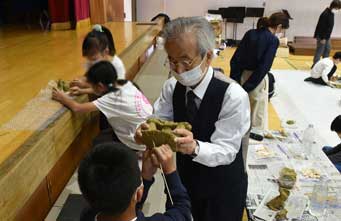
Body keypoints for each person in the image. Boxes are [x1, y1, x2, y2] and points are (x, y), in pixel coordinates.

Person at [135, 17, 250, 221]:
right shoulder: (172, 87)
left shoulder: (233, 95)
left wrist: (194, 147)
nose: (178, 70)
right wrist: (145, 131)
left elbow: (226, 150)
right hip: (184, 181)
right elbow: (158, 120)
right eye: (171, 60)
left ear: (208, 57)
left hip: (222, 188)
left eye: (186, 61)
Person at [52, 61, 152, 150]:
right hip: (147, 129)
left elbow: (77, 108)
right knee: (106, 116)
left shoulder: (111, 98)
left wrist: (61, 97)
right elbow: (103, 90)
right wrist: (82, 90)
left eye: (92, 84)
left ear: (100, 85)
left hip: (135, 141)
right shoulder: (123, 83)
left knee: (98, 145)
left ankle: (122, 154)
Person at [78, 142, 192, 221]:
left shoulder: (87, 215)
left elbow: (127, 204)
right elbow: (182, 210)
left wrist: (145, 177)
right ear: (138, 194)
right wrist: (170, 171)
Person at [230, 12, 290, 130]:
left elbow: (235, 58)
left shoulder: (250, 33)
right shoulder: (273, 40)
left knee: (238, 108)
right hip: (257, 79)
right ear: (278, 27)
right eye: (282, 30)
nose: (281, 33)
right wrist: (248, 86)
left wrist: (235, 79)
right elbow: (264, 67)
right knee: (257, 114)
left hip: (241, 74)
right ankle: (254, 139)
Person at [70, 24, 126, 96]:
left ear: (106, 51)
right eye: (88, 58)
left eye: (93, 59)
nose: (90, 62)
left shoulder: (116, 65)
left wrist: (84, 87)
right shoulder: (92, 60)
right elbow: (88, 77)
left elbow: (114, 90)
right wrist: (79, 81)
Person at [313, 0, 341, 66]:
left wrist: (326, 37)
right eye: (338, 8)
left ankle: (324, 63)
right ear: (334, 6)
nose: (338, 10)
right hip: (322, 36)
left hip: (326, 36)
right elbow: (321, 27)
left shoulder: (331, 13)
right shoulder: (325, 14)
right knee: (320, 51)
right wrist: (323, 38)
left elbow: (329, 27)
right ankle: (315, 65)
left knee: (328, 48)